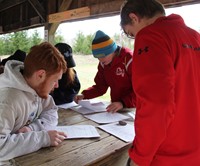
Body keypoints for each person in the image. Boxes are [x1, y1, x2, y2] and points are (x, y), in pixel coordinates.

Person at [120, 0, 200, 165]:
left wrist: (140, 156)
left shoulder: (150, 35)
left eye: (131, 34)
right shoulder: (195, 36)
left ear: (134, 18)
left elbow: (156, 104)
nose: (135, 38)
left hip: (168, 154)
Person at [0, 42, 67, 164]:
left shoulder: (38, 89)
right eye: (55, 80)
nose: (56, 86)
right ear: (40, 74)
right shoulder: (7, 100)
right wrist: (43, 138)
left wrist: (33, 128)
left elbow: (51, 111)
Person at [74, 30, 136, 113]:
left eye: (103, 56)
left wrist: (123, 103)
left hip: (135, 107)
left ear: (112, 51)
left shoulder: (129, 60)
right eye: (97, 57)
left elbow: (142, 89)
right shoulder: (104, 64)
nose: (100, 60)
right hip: (116, 107)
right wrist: (84, 95)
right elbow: (100, 87)